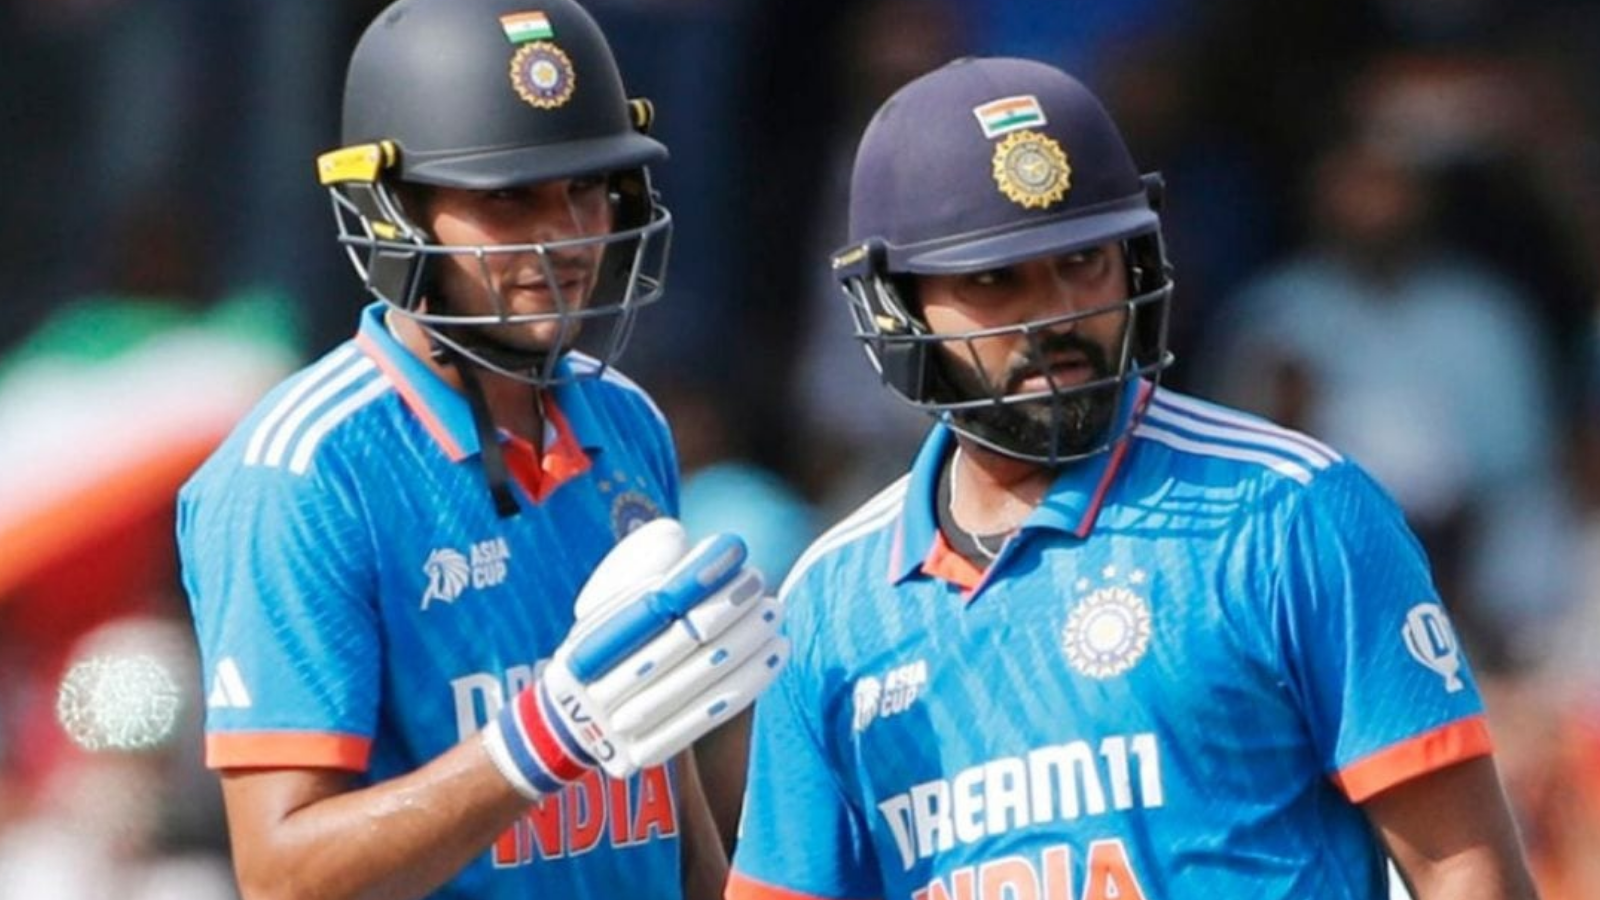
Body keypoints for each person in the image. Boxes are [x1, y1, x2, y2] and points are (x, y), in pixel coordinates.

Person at [726, 57, 1540, 900]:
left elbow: (1464, 870)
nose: (1056, 315)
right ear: (896, 306)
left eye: (1083, 261)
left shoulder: (1291, 512)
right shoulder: (830, 605)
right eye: (995, 279)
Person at [176, 1, 786, 898]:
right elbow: (284, 874)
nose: (567, 234)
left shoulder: (628, 421)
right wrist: (545, 737)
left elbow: (666, 788)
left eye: (587, 187)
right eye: (508, 199)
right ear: (393, 214)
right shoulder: (301, 472)